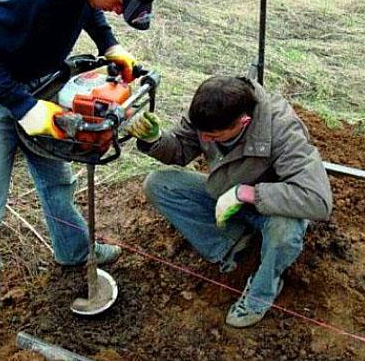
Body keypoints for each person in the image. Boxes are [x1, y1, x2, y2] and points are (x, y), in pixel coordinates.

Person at [0, 0, 155, 359]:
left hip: (43, 84)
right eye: (120, 3)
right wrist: (21, 105)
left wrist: (109, 42)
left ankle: (74, 250)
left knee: (57, 181)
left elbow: (88, 7)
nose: (117, 10)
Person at [127, 76, 333, 328]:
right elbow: (180, 150)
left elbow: (317, 200)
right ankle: (232, 244)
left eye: (214, 136)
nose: (205, 139)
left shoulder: (282, 130)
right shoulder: (210, 109)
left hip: (271, 209)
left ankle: (262, 291)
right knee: (159, 184)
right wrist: (155, 139)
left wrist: (247, 194)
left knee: (285, 230)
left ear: (243, 122)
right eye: (203, 133)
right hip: (225, 193)